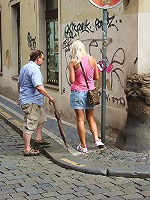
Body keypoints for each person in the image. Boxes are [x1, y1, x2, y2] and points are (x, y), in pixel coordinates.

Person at [18, 50, 55, 156]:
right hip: (31, 101)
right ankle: (27, 149)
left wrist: (20, 96)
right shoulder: (34, 69)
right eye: (42, 59)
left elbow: (19, 83)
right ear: (38, 58)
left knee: (42, 117)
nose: (43, 61)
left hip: (31, 100)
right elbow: (38, 86)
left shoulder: (24, 67)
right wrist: (50, 97)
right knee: (29, 124)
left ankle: (38, 138)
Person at [69, 40, 104, 153]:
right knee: (90, 118)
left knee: (80, 119)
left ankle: (83, 146)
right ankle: (97, 140)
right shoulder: (92, 59)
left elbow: (72, 80)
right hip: (90, 92)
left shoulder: (73, 62)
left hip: (78, 92)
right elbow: (96, 77)